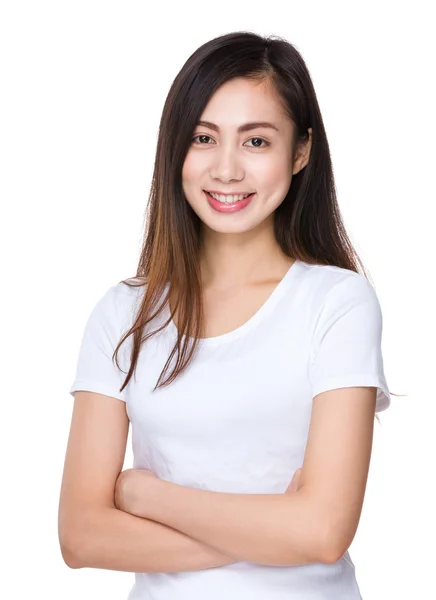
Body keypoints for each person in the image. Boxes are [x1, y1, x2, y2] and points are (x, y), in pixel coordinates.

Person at [58, 31, 392, 600]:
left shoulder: (337, 303)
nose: (227, 169)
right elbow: (81, 536)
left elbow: (323, 532)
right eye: (203, 138)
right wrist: (275, 529)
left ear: (301, 151)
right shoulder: (124, 314)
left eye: (257, 141)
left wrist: (146, 496)